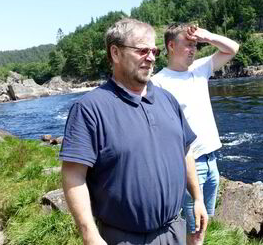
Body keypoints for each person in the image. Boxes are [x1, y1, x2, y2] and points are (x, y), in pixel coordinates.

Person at [60, 18, 208, 245]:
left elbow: (185, 151)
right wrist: (89, 233)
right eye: (142, 50)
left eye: (154, 51)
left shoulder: (168, 100)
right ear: (115, 53)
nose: (151, 58)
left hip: (174, 231)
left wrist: (198, 198)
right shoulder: (89, 109)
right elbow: (73, 175)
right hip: (122, 238)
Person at [152, 23, 239, 245]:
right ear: (171, 46)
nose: (193, 49)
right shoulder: (158, 83)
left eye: (195, 45)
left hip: (211, 159)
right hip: (188, 164)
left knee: (204, 223)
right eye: (188, 45)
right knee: (195, 230)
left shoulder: (200, 69)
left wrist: (207, 37)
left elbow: (232, 48)